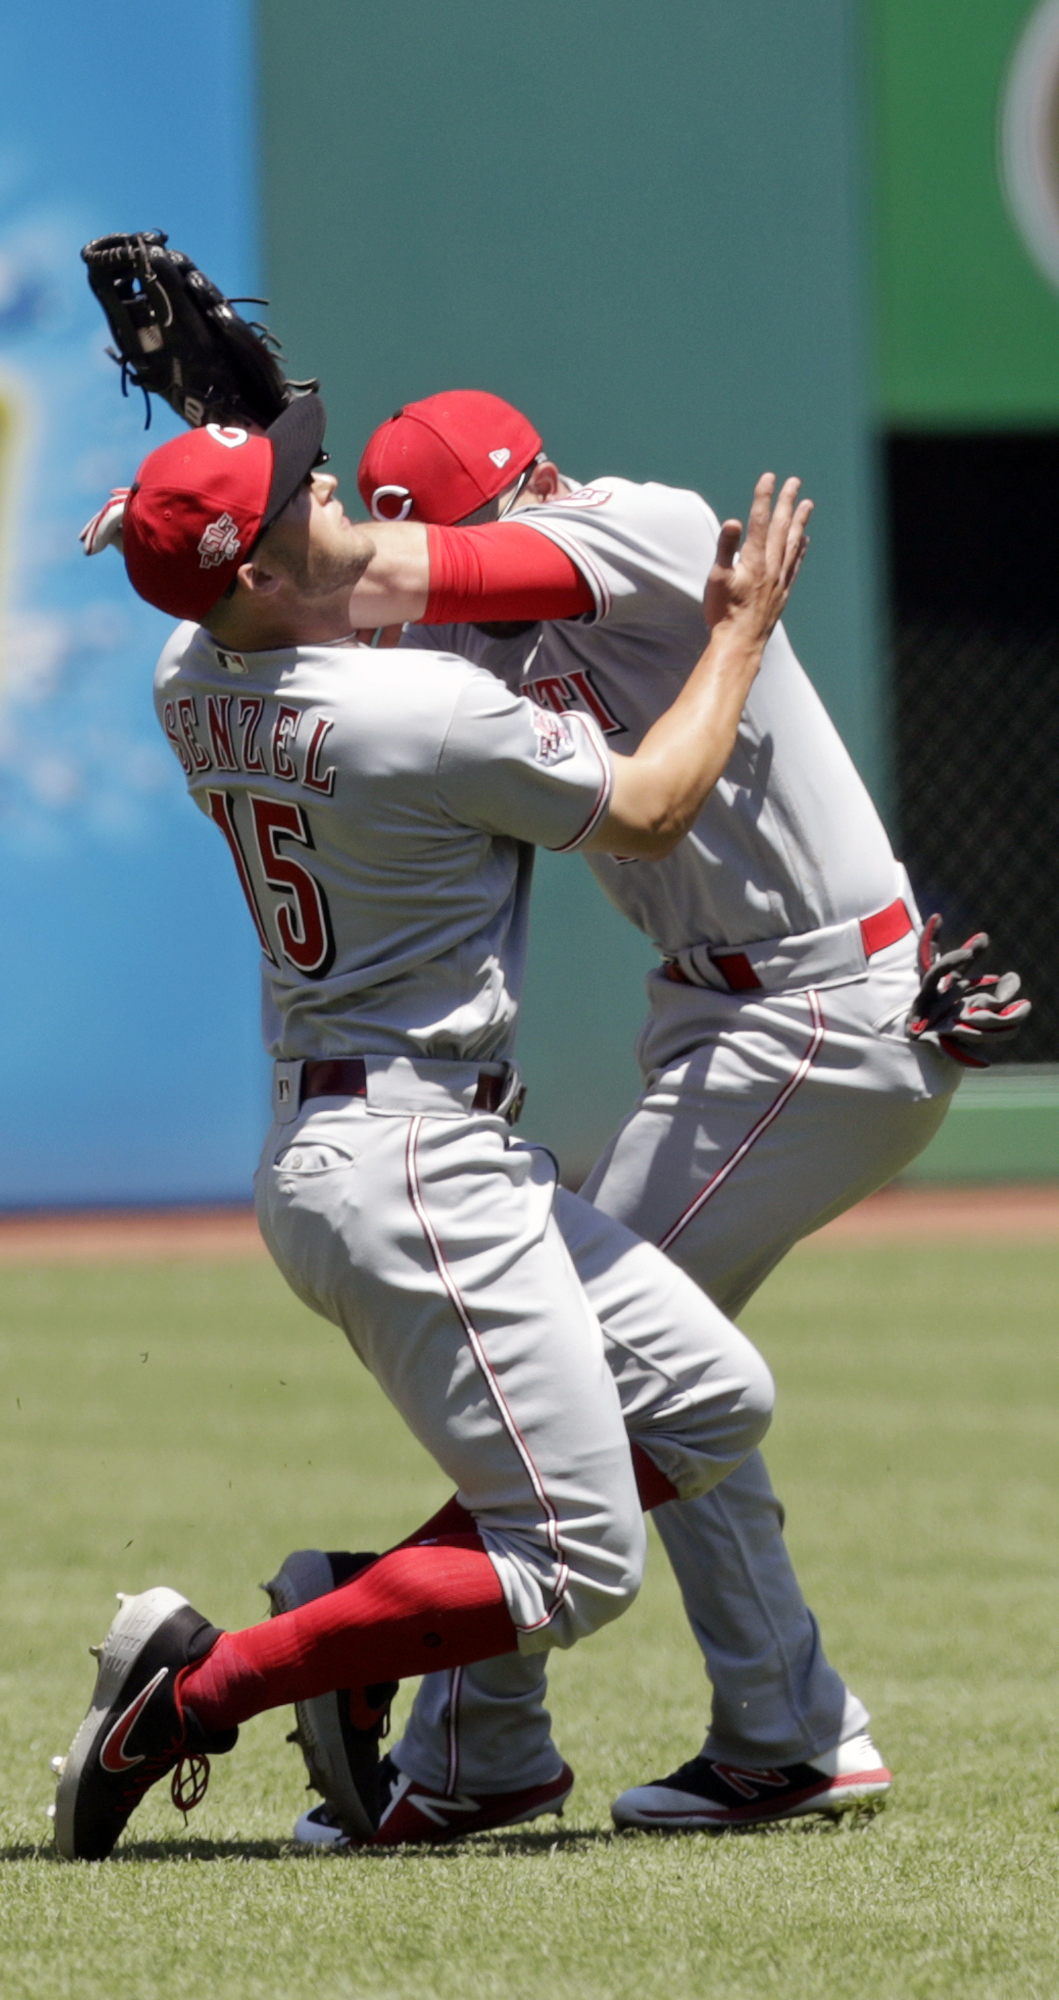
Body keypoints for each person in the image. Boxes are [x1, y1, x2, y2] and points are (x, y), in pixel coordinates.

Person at [51, 394, 810, 1861]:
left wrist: (185, 505)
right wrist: (739, 634)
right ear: (262, 578)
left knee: (716, 1401)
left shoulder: (181, 670)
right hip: (415, 1167)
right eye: (295, 495)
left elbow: (229, 583)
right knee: (583, 1563)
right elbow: (651, 805)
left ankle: (344, 1603)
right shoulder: (411, 711)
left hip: (387, 1144)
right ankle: (196, 1695)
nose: (327, 482)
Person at [268, 389, 1026, 1842]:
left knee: (576, 1345)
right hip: (734, 1011)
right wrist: (221, 493)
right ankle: (786, 1732)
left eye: (454, 535)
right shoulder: (469, 627)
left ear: (525, 488)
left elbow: (404, 578)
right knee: (655, 1373)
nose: (435, 571)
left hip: (811, 1014)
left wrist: (314, 500)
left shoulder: (646, 527)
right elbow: (316, 621)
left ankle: (478, 1748)